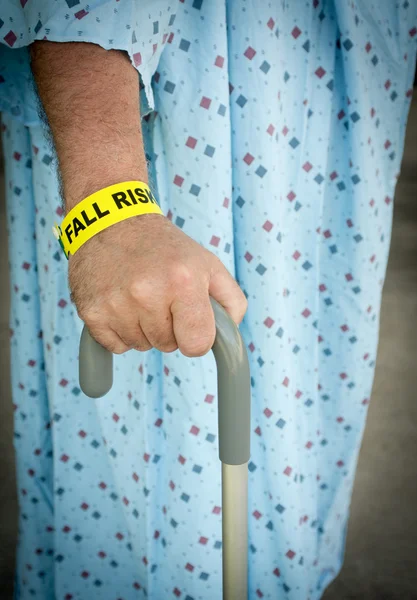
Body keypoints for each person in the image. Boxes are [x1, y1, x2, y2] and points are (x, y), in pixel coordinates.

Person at [1, 1, 416, 598]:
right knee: (165, 509)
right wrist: (109, 203)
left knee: (287, 466)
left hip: (325, 121)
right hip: (193, 111)